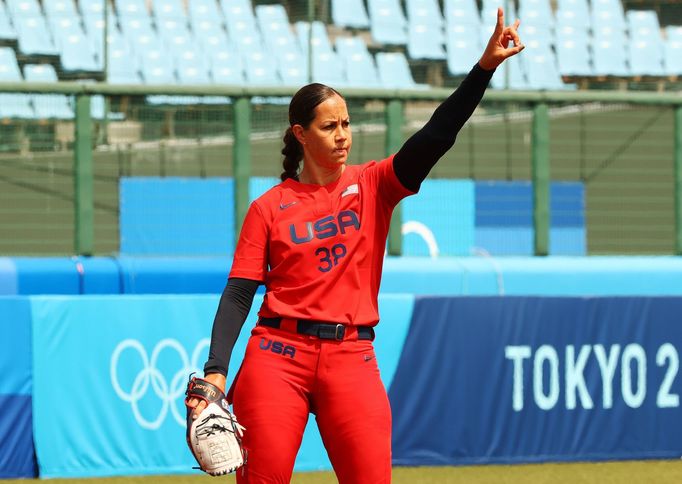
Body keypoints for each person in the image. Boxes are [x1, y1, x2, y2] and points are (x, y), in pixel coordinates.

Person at [187, 8, 523, 483]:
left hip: (351, 356)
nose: (343, 135)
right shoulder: (269, 207)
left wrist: (483, 68)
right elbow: (240, 292)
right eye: (329, 127)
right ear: (300, 135)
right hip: (277, 355)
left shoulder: (374, 184)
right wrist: (216, 370)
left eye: (346, 124)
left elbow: (436, 136)